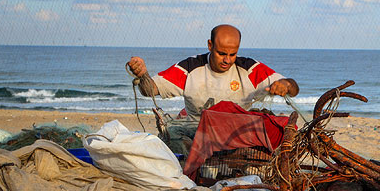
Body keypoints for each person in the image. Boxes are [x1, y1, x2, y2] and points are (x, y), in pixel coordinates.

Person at [127, 24, 299, 121]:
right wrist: (143, 75)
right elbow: (150, 90)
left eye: (233, 54)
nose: (227, 60)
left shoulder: (250, 68)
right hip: (196, 131)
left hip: (237, 132)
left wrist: (285, 85)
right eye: (221, 53)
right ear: (210, 45)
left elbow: (293, 89)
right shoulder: (189, 68)